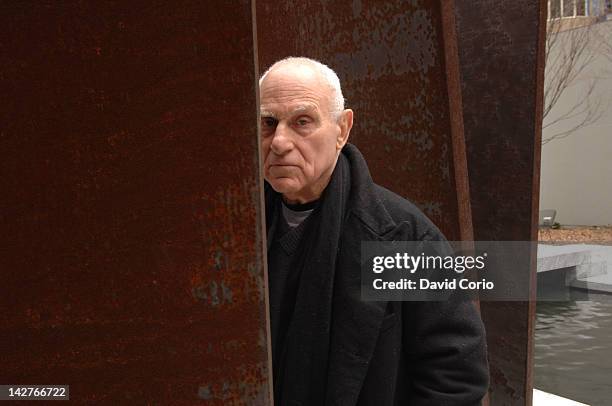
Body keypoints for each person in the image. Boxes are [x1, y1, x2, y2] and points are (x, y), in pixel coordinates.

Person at [260, 56, 489, 406]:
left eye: (302, 121)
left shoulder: (403, 238)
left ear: (342, 129)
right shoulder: (232, 230)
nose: (279, 141)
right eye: (268, 122)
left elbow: (456, 374)